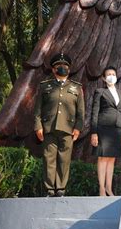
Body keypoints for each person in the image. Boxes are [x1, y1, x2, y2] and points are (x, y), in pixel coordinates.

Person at [34, 53, 85, 197]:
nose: (62, 68)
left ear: (69, 69)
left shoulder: (76, 87)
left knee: (64, 159)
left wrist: (78, 128)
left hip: (68, 129)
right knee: (49, 158)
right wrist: (38, 126)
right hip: (48, 128)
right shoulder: (45, 86)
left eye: (65, 66)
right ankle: (50, 189)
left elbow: (81, 112)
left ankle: (61, 188)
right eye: (58, 66)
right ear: (53, 69)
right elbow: (37, 109)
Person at [90, 66, 121, 196]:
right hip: (103, 129)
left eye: (113, 74)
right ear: (104, 78)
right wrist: (94, 132)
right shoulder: (100, 91)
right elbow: (94, 113)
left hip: (117, 130)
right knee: (102, 158)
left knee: (111, 159)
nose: (111, 76)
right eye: (108, 74)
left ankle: (108, 188)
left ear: (117, 77)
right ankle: (101, 188)